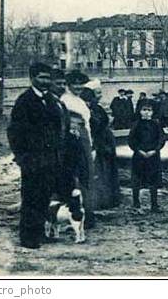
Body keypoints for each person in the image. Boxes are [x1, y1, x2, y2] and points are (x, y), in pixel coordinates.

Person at [6, 63, 63, 249]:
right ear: (32, 78)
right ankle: (28, 238)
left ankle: (39, 233)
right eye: (41, 77)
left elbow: (56, 128)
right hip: (32, 159)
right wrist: (21, 157)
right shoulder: (24, 101)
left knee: (44, 196)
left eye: (48, 78)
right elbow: (14, 132)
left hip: (50, 158)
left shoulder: (51, 100)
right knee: (31, 197)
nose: (46, 81)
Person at [62, 70, 96, 228]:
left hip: (84, 140)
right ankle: (79, 213)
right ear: (68, 85)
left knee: (86, 176)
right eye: (74, 84)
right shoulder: (66, 100)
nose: (78, 87)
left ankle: (87, 212)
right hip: (75, 142)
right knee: (78, 177)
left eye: (80, 84)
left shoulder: (79, 100)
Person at [84, 80, 120, 209]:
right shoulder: (89, 108)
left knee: (107, 171)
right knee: (100, 172)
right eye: (97, 93)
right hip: (99, 144)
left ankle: (109, 199)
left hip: (105, 142)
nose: (100, 95)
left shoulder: (97, 108)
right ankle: (101, 200)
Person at [128, 100, 166, 212]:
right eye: (144, 110)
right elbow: (131, 140)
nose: (146, 113)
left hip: (153, 156)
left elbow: (161, 139)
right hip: (139, 157)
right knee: (137, 180)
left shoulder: (156, 125)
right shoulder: (136, 125)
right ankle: (136, 203)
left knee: (153, 180)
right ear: (139, 111)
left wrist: (155, 150)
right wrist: (138, 150)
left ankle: (154, 204)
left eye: (149, 110)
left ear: (153, 112)